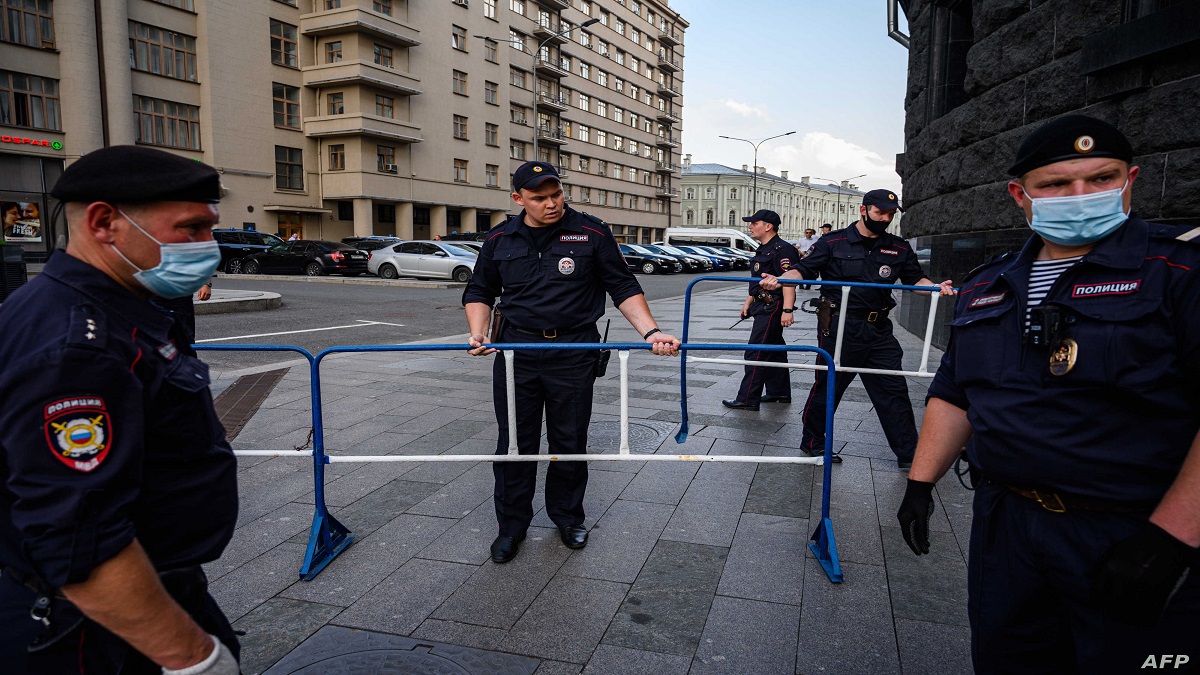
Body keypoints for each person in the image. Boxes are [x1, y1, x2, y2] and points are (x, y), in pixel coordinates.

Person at [896, 115, 1200, 672]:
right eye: (1056, 185)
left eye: (1101, 178)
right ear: (1022, 194)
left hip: (1132, 528)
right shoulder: (988, 283)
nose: (1080, 196)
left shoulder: (1178, 269)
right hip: (1007, 524)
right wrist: (920, 484)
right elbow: (956, 390)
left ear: (1130, 180)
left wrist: (1174, 538)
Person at [0, 146, 240, 674]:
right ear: (105, 222)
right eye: (191, 228)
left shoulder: (116, 308)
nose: (209, 248)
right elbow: (79, 541)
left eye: (210, 229)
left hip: (154, 584)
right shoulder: (77, 344)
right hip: (92, 628)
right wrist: (193, 658)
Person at [462, 161, 680, 564]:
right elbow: (480, 290)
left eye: (556, 194)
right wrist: (479, 333)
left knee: (569, 440)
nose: (551, 204)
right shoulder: (499, 238)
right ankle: (511, 527)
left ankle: (567, 517)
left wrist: (651, 333)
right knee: (514, 443)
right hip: (517, 353)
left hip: (574, 351)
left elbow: (622, 285)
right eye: (539, 198)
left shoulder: (592, 232)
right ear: (518, 199)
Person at [760, 190, 954, 468]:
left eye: (890, 214)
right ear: (864, 210)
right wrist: (780, 279)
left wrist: (935, 288)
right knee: (829, 386)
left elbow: (916, 280)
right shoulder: (832, 242)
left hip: (878, 329)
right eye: (880, 213)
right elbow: (803, 270)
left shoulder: (898, 247)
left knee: (893, 389)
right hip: (839, 326)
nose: (885, 218)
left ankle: (909, 454)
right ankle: (813, 441)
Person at [722, 209, 799, 412]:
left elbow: (790, 282)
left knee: (756, 351)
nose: (750, 226)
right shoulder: (763, 249)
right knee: (774, 351)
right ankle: (779, 392)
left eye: (754, 223)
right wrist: (747, 302)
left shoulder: (784, 250)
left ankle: (748, 398)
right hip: (761, 304)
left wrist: (788, 309)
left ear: (768, 226)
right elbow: (758, 281)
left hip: (772, 306)